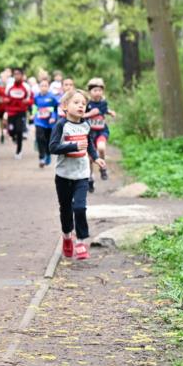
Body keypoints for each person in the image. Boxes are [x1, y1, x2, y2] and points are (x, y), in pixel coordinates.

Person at [48, 89, 106, 261]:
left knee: (80, 207)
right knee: (65, 209)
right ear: (65, 106)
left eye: (83, 103)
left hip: (82, 174)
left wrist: (96, 158)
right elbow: (53, 148)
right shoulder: (61, 125)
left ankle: (80, 241)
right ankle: (67, 236)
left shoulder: (86, 124)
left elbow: (89, 144)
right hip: (63, 175)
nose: (81, 105)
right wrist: (72, 147)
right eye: (76, 102)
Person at [83, 77, 117, 192]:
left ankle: (103, 168)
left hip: (101, 131)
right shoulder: (87, 103)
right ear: (90, 92)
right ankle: (90, 178)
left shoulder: (103, 103)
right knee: (89, 158)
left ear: (102, 91)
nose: (97, 93)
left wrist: (109, 112)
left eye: (99, 90)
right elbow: (85, 111)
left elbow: (97, 111)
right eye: (94, 90)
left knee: (101, 148)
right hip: (89, 133)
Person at [1, 67, 33, 160]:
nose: (17, 76)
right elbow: (4, 98)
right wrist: (5, 100)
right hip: (11, 112)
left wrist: (27, 102)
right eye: (15, 74)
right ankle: (13, 138)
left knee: (19, 131)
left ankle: (19, 151)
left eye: (19, 74)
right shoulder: (9, 86)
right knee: (11, 131)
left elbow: (31, 99)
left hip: (21, 112)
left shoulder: (26, 87)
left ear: (22, 76)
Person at [32, 77, 59, 168]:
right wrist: (33, 114)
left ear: (48, 87)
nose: (44, 87)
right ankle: (41, 158)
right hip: (39, 121)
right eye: (42, 86)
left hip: (49, 123)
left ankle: (48, 154)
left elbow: (56, 109)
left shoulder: (52, 97)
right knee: (40, 138)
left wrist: (53, 117)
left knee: (48, 140)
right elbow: (34, 107)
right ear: (39, 87)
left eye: (46, 86)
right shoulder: (36, 96)